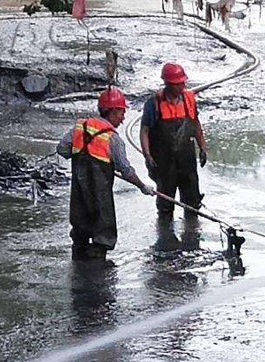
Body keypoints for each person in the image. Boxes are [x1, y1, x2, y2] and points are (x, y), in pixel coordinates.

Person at [57, 87, 154, 261]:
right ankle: (98, 280)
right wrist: (142, 186)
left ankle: (78, 274)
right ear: (111, 111)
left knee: (79, 237)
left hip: (79, 198)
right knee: (101, 240)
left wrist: (80, 153)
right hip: (100, 200)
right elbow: (125, 170)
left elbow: (62, 149)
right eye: (121, 113)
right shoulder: (113, 139)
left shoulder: (80, 127)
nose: (123, 119)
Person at [140, 63, 208, 234]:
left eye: (183, 82)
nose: (182, 86)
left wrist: (203, 148)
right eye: (178, 83)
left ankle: (192, 238)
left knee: (192, 205)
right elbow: (144, 130)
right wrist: (147, 155)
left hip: (186, 162)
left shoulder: (189, 100)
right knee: (165, 206)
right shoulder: (153, 104)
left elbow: (196, 124)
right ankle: (165, 240)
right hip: (164, 164)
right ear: (168, 84)